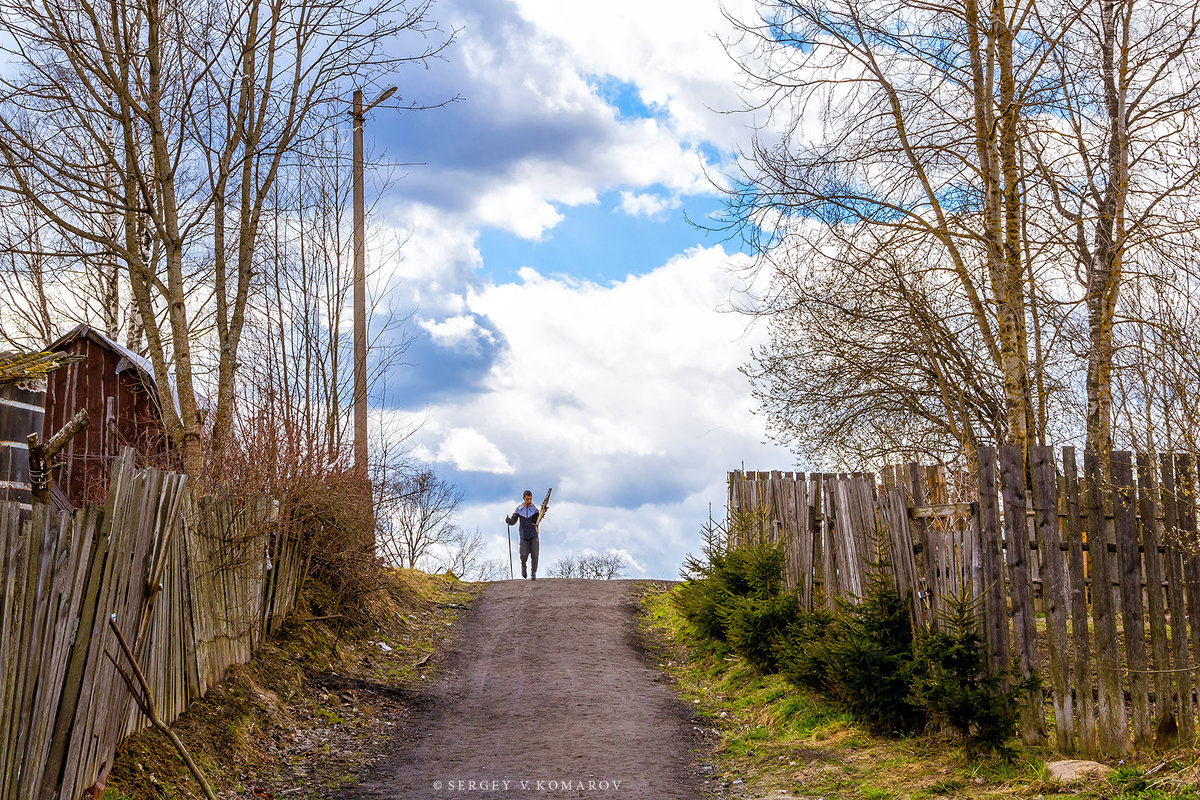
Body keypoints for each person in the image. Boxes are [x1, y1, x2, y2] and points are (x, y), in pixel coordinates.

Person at [506, 490, 540, 579]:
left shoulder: (535, 510)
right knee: (523, 555)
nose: (529, 501)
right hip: (524, 536)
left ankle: (533, 572)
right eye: (527, 499)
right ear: (524, 498)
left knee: (535, 555)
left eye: (530, 499)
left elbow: (537, 520)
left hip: (533, 535)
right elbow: (513, 521)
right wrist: (509, 521)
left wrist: (537, 519)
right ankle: (523, 566)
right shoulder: (519, 509)